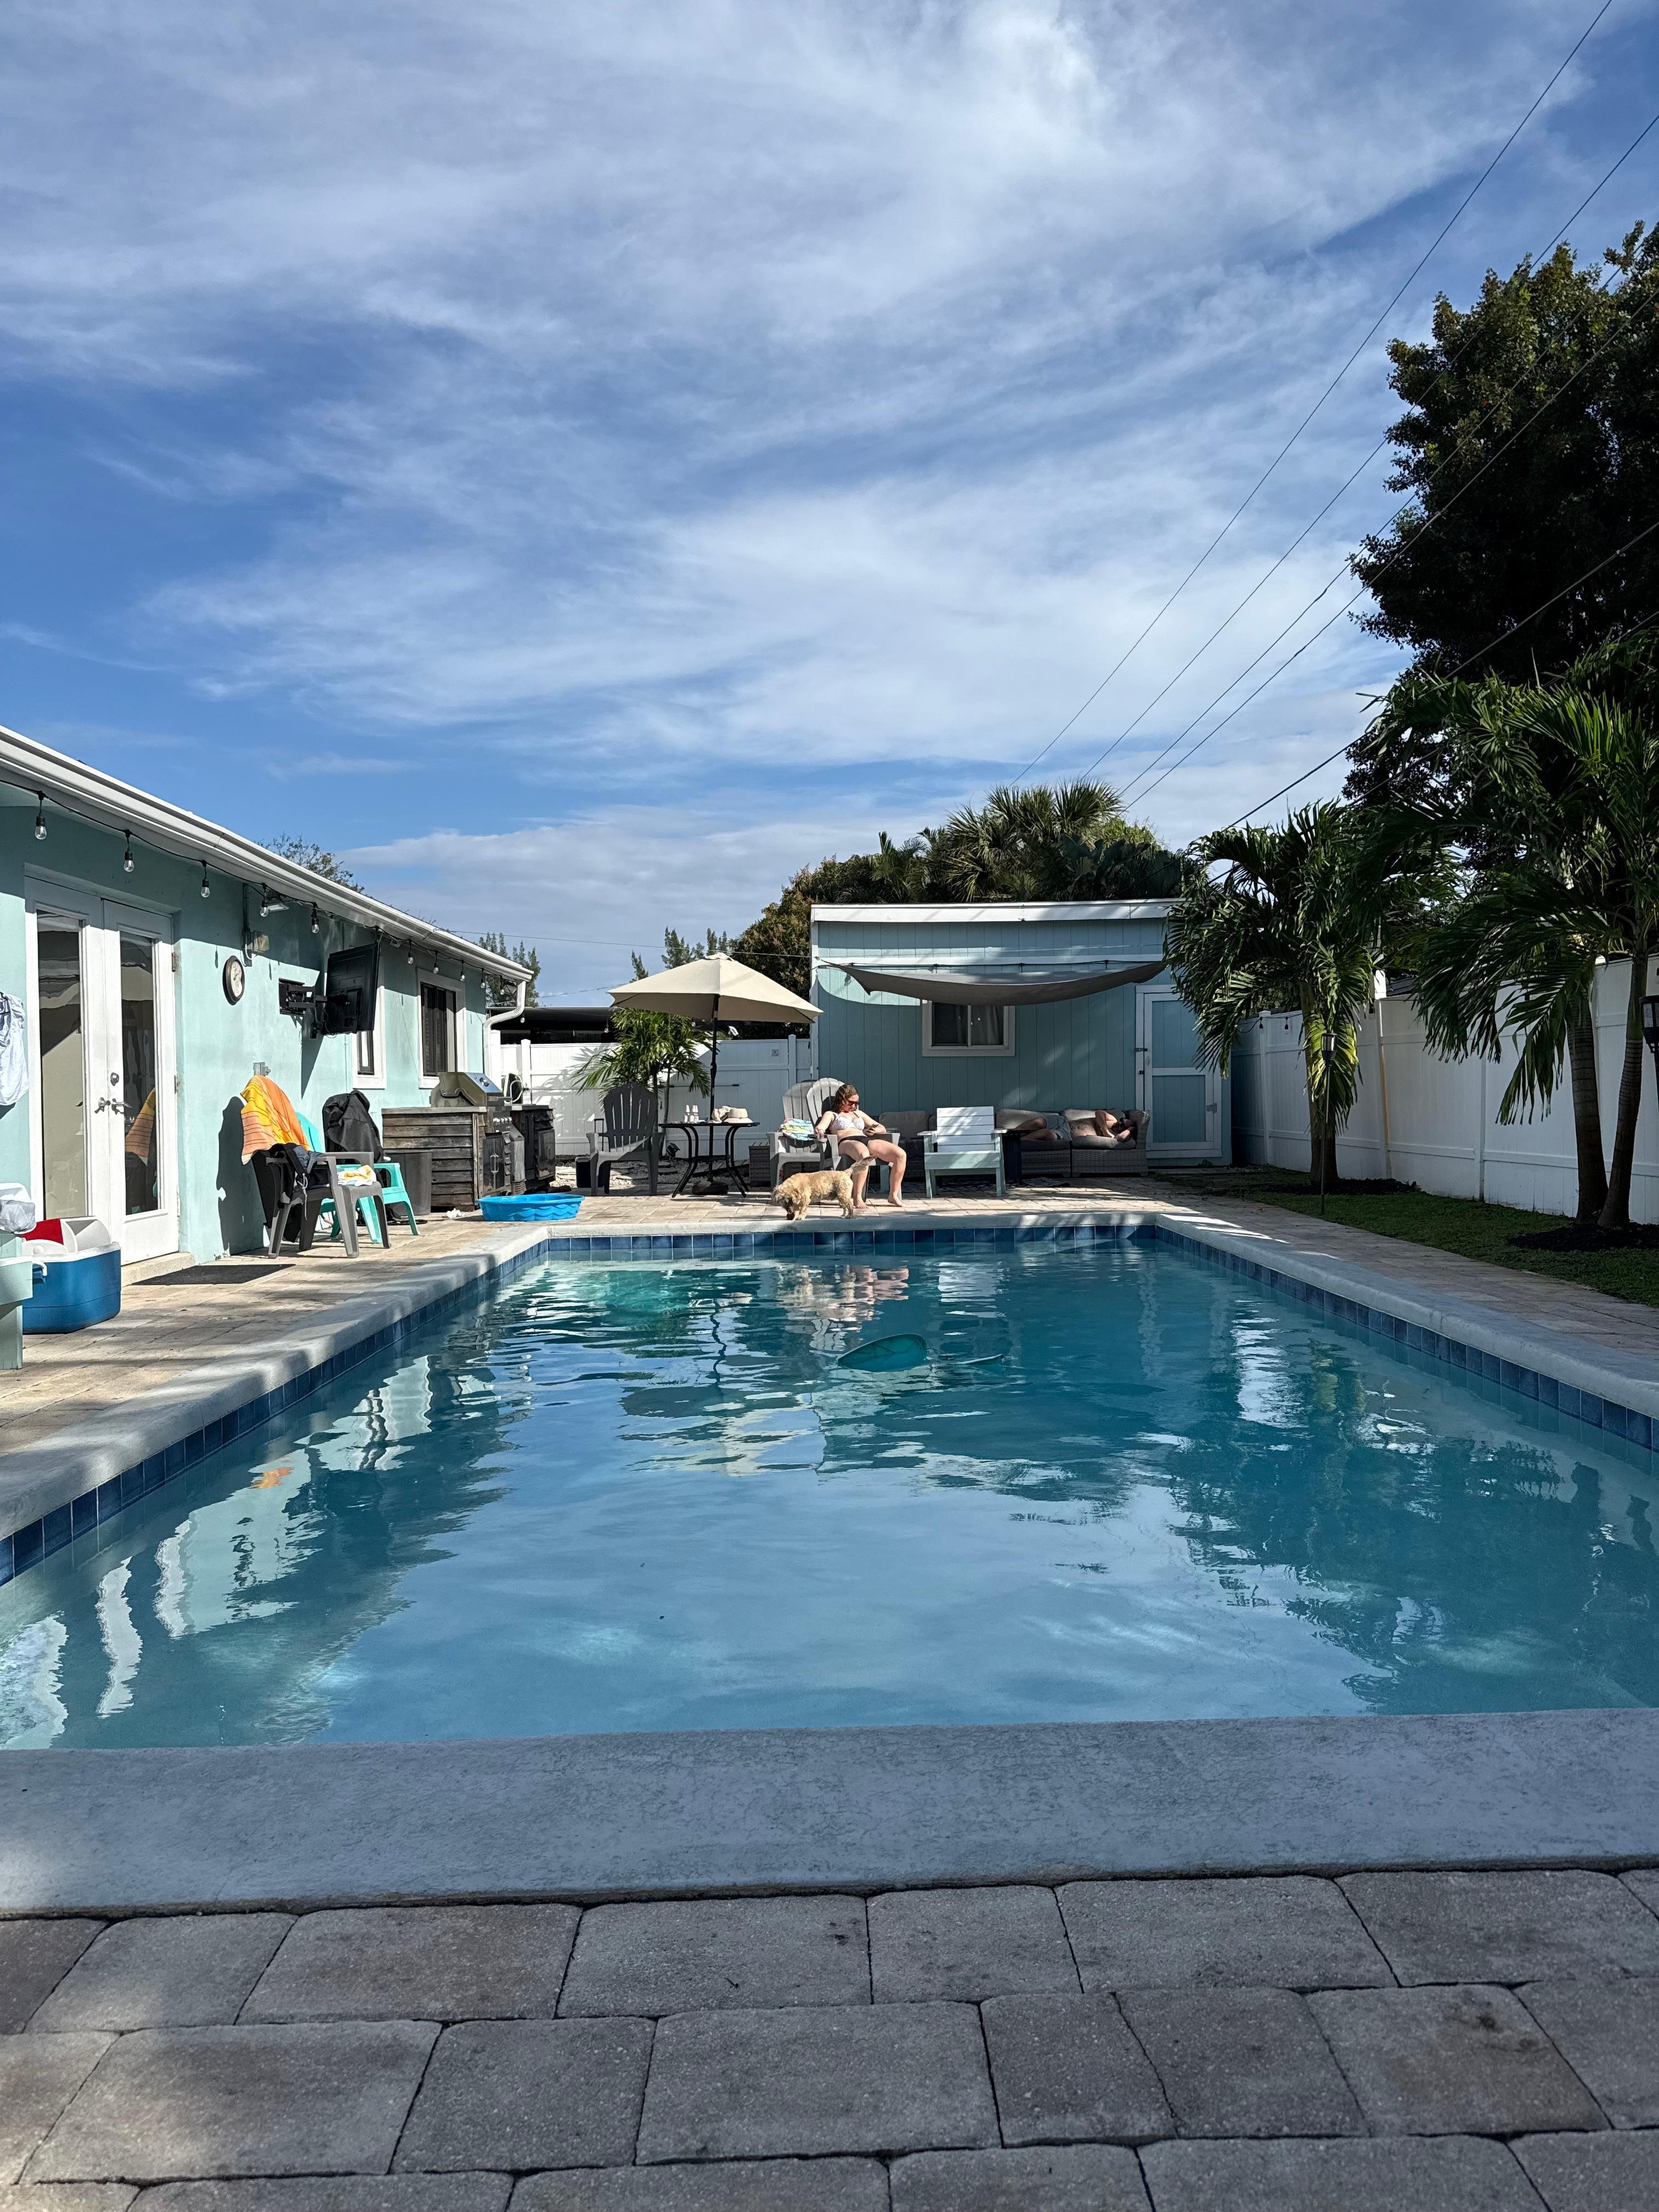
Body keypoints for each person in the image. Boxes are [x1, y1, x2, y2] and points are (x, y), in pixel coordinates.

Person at [815, 1084, 906, 1210]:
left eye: (856, 1103)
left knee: (900, 1155)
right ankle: (857, 1197)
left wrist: (874, 1131)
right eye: (851, 1103)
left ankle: (893, 1195)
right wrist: (819, 1130)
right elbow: (821, 1127)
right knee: (864, 1154)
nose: (854, 1106)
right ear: (842, 1099)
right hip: (846, 1142)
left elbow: (881, 1127)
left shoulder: (859, 1114)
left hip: (865, 1139)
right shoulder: (832, 1114)